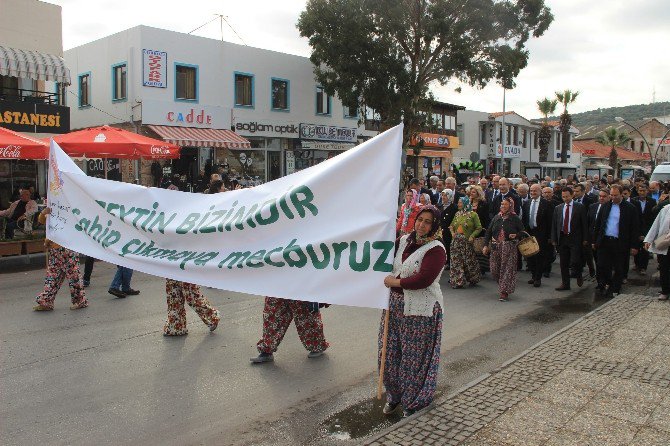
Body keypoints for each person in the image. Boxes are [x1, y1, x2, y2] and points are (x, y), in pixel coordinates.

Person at [380, 205, 445, 417]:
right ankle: (394, 396)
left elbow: (423, 279)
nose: (422, 225)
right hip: (394, 307)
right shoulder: (404, 240)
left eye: (427, 221)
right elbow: (383, 257)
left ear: (434, 225)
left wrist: (395, 282)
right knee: (389, 354)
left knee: (413, 358)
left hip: (420, 310)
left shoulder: (436, 249)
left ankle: (412, 401)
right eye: (420, 219)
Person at [33, 207, 88, 311]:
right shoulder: (53, 207)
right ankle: (46, 302)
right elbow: (43, 221)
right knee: (52, 277)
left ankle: (80, 301)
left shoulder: (70, 209)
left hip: (68, 248)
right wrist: (43, 212)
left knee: (73, 277)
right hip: (55, 250)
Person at [593, 185, 640, 297]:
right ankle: (608, 283)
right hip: (605, 241)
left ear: (621, 194)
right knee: (602, 265)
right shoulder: (606, 206)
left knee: (619, 267)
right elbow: (598, 224)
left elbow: (634, 228)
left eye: (616, 195)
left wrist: (634, 246)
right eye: (612, 195)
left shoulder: (630, 208)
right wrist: (594, 240)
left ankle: (615, 288)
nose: (613, 197)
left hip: (620, 242)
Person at [250, 297, 330, 363]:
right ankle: (266, 350)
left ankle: (317, 346)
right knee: (272, 316)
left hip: (300, 284)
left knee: (306, 316)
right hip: (278, 284)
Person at [483, 197, 524, 301]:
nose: (503, 206)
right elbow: (488, 232)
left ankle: (504, 292)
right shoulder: (497, 217)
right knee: (494, 269)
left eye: (505, 204)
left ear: (510, 205)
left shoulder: (515, 218)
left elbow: (523, 231)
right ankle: (503, 285)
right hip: (496, 246)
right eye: (502, 204)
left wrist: (516, 235)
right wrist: (485, 245)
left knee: (507, 270)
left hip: (509, 247)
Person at [551, 186, 588, 291]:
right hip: (563, 237)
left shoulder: (579, 207)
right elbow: (555, 224)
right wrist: (554, 238)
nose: (565, 199)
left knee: (575, 260)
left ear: (572, 195)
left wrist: (585, 238)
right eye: (563, 197)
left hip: (575, 237)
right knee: (563, 262)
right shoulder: (558, 208)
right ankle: (565, 283)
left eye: (567, 196)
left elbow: (584, 224)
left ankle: (578, 273)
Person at [522, 184, 552, 287]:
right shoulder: (526, 203)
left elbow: (549, 222)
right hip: (529, 233)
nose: (533, 193)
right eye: (531, 191)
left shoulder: (546, 204)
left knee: (539, 256)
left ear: (540, 192)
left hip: (541, 233)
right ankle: (533, 275)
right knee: (530, 256)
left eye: (535, 191)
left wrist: (549, 237)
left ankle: (538, 278)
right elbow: (524, 219)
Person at [449, 196, 482, 288]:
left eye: (460, 203)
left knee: (468, 261)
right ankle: (458, 281)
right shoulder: (457, 214)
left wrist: (472, 236)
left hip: (466, 241)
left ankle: (473, 278)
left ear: (465, 203)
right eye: (458, 202)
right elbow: (451, 225)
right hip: (456, 241)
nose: (458, 204)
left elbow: (479, 227)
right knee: (456, 261)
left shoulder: (473, 215)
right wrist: (452, 233)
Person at [644, 203, 670, 300]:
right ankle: (665, 290)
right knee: (664, 267)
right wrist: (649, 239)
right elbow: (656, 225)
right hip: (664, 242)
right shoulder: (665, 209)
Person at [632, 183, 656, 275]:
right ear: (638, 191)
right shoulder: (634, 201)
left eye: (644, 191)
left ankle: (643, 267)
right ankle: (637, 264)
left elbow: (653, 217)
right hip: (636, 228)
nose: (642, 192)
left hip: (647, 228)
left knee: (645, 249)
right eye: (640, 190)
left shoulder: (652, 201)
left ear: (647, 191)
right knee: (636, 247)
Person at [439, 189, 457, 268]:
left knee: (448, 246)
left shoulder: (454, 207)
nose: (443, 197)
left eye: (446, 195)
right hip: (439, 230)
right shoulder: (439, 206)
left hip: (449, 231)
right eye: (442, 195)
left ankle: (448, 262)